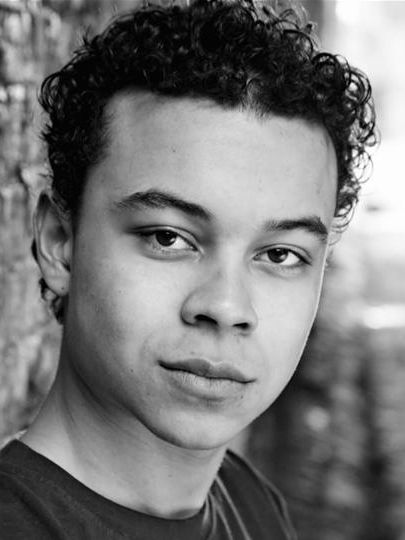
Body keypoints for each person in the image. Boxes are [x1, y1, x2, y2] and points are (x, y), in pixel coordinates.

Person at [0, 0, 376, 538]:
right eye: (168, 238)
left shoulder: (251, 504)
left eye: (280, 255)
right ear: (60, 243)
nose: (226, 307)